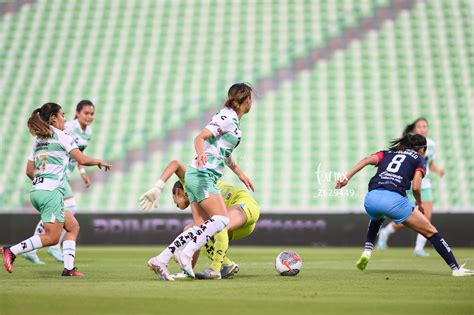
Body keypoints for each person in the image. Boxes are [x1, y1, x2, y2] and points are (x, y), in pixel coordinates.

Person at [144, 83, 254, 279]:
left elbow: (224, 154)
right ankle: (186, 254)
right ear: (247, 100)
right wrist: (201, 154)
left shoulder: (233, 122)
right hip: (203, 175)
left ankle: (160, 260)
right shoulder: (227, 116)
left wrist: (240, 173)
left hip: (198, 175)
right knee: (221, 220)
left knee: (198, 226)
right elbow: (200, 137)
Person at [335, 133, 473, 277]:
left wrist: (346, 178)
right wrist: (419, 204)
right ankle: (456, 268)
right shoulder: (419, 159)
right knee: (431, 232)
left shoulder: (387, 153)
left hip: (371, 198)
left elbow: (366, 160)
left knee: (377, 217)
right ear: (421, 150)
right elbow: (416, 187)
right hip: (394, 201)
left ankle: (367, 251)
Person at [1, 103, 111, 276]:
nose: (65, 119)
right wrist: (98, 161)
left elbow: (29, 171)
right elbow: (80, 158)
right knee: (52, 237)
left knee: (73, 226)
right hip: (51, 192)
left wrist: (43, 182)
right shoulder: (62, 136)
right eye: (63, 115)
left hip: (37, 191)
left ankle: (68, 268)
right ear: (53, 117)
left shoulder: (39, 140)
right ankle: (12, 251)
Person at [140, 159, 260, 280]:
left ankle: (215, 269)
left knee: (220, 224)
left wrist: (158, 187)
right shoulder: (198, 198)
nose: (175, 203)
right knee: (200, 231)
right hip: (243, 226)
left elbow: (175, 163)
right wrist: (188, 269)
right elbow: (198, 229)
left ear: (178, 191)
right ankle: (226, 265)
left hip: (244, 206)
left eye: (174, 199)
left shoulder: (191, 180)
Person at [23, 100, 95, 264]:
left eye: (92, 114)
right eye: (86, 113)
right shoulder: (67, 127)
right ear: (77, 114)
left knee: (64, 211)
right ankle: (50, 246)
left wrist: (82, 172)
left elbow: (76, 153)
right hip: (56, 175)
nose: (89, 117)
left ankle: (37, 248)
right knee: (70, 209)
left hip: (64, 174)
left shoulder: (88, 132)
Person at [377, 118, 445, 256]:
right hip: (409, 184)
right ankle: (386, 232)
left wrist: (437, 170)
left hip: (424, 184)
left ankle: (419, 248)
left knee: (426, 216)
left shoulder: (431, 145)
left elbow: (429, 163)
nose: (422, 129)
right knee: (408, 218)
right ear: (414, 129)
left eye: (425, 126)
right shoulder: (408, 145)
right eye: (419, 126)